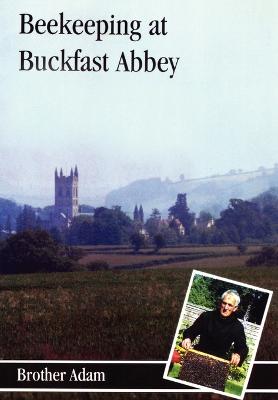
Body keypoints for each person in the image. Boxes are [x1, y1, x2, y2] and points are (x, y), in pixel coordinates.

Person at [182, 289, 248, 366]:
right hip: (197, 357)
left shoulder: (237, 326)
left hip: (218, 364)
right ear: (220, 303)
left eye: (230, 305)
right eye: (224, 303)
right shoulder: (206, 316)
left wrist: (238, 355)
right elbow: (191, 331)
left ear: (235, 308)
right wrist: (187, 338)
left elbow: (242, 347)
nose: (226, 307)